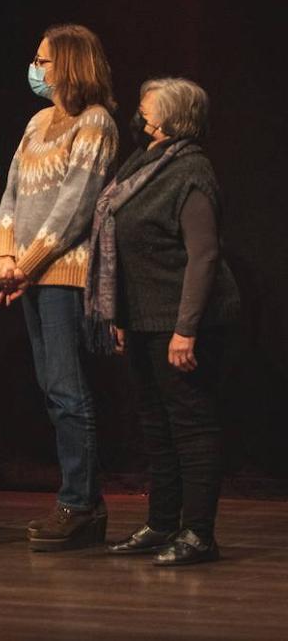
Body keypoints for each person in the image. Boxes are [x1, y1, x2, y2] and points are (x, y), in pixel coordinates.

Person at [88, 78, 239, 566]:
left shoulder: (191, 171)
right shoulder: (146, 163)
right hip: (145, 319)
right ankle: (162, 522)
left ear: (171, 119)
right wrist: (121, 315)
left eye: (147, 107)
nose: (139, 113)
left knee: (190, 426)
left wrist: (186, 328)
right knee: (155, 424)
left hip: (183, 320)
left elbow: (204, 256)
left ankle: (198, 534)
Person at [0, 24, 119, 551]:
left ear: (68, 64)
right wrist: (2, 255)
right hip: (27, 271)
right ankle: (76, 498)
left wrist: (25, 264)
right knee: (51, 389)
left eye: (42, 61)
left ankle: (81, 504)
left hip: (64, 274)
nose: (35, 69)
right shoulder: (38, 122)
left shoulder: (96, 123)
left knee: (68, 391)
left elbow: (75, 205)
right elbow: (12, 196)